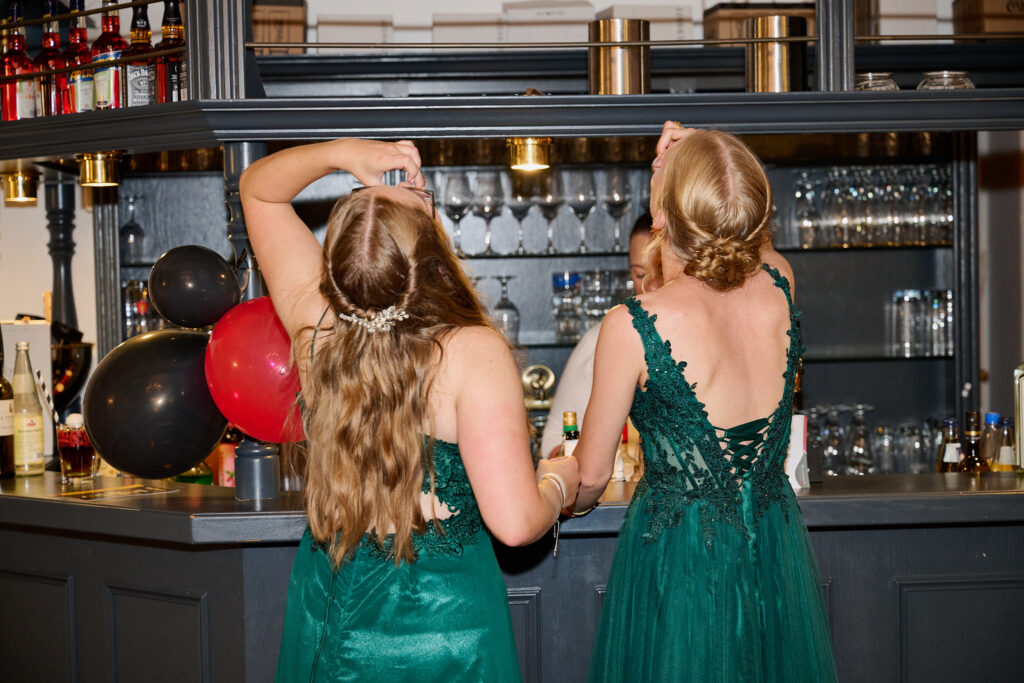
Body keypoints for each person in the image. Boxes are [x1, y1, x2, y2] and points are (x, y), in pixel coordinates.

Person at [239, 138, 580, 682]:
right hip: (447, 634)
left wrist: (347, 156)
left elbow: (258, 189)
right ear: (429, 255)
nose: (412, 185)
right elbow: (516, 525)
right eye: (420, 199)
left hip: (332, 616)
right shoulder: (472, 352)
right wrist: (560, 480)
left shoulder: (317, 328)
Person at [571, 123, 838, 682]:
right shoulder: (781, 284)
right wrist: (711, 165)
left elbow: (590, 478)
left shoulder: (632, 325)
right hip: (772, 550)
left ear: (663, 218)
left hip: (681, 564)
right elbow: (750, 243)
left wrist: (552, 481)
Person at [540, 213, 658, 458]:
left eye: (662, 272)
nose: (649, 285)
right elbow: (554, 440)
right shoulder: (603, 337)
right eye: (639, 274)